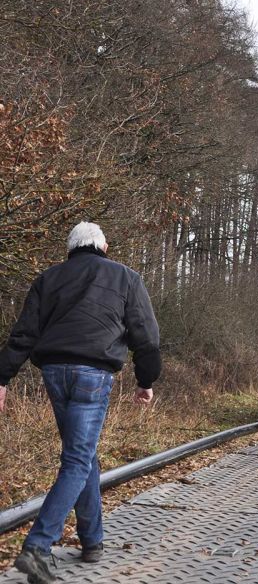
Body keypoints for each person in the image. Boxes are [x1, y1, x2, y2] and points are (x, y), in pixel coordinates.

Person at [0, 222, 160, 584]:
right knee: (77, 458)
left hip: (54, 373)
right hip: (93, 374)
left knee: (81, 454)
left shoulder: (48, 278)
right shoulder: (126, 278)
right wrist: (145, 381)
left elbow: (23, 334)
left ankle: (92, 541)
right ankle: (37, 549)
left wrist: (2, 377)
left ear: (71, 248)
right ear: (103, 246)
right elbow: (146, 336)